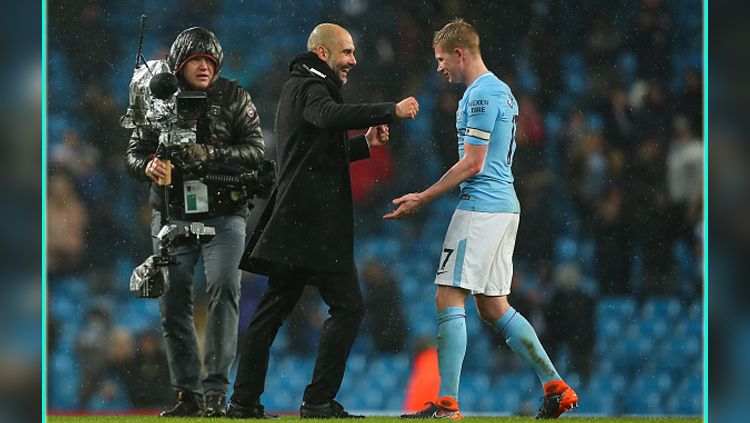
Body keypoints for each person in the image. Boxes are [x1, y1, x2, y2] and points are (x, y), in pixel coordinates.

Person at [386, 19, 579, 419]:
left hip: (481, 207)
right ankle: (555, 386)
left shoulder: (481, 95)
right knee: (493, 307)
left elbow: (473, 163)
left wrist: (423, 196)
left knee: (447, 296)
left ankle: (447, 405)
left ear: (460, 54)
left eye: (441, 60)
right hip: (503, 207)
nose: (439, 68)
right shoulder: (501, 92)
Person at [225, 23, 419, 419]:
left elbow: (314, 155)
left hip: (298, 222)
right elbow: (327, 116)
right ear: (323, 54)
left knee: (274, 311)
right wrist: (390, 110)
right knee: (346, 307)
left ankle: (244, 402)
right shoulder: (311, 87)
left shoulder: (300, 85)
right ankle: (316, 400)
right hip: (311, 225)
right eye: (346, 52)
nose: (353, 60)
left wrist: (365, 144)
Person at [125, 27, 266, 417]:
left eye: (210, 61)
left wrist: (211, 152)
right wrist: (148, 164)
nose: (204, 67)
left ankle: (216, 392)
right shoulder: (156, 98)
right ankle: (188, 394)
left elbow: (257, 150)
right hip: (172, 213)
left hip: (225, 212)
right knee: (172, 301)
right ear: (178, 66)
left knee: (224, 287)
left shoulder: (235, 96)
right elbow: (134, 152)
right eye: (196, 61)